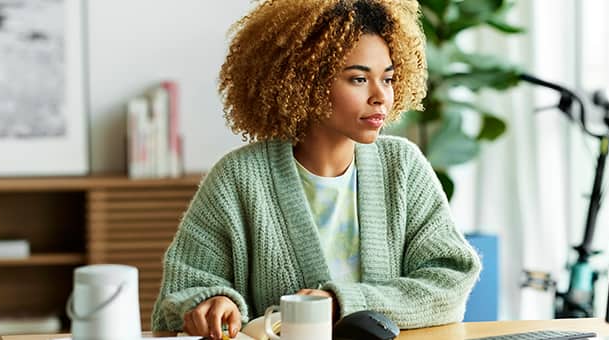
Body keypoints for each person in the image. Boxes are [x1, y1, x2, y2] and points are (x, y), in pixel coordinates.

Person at [151, 0, 481, 339]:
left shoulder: (403, 167)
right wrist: (212, 302)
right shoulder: (239, 178)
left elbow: (450, 280)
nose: (381, 96)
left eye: (388, 78)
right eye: (358, 79)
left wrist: (342, 303)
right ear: (305, 81)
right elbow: (183, 292)